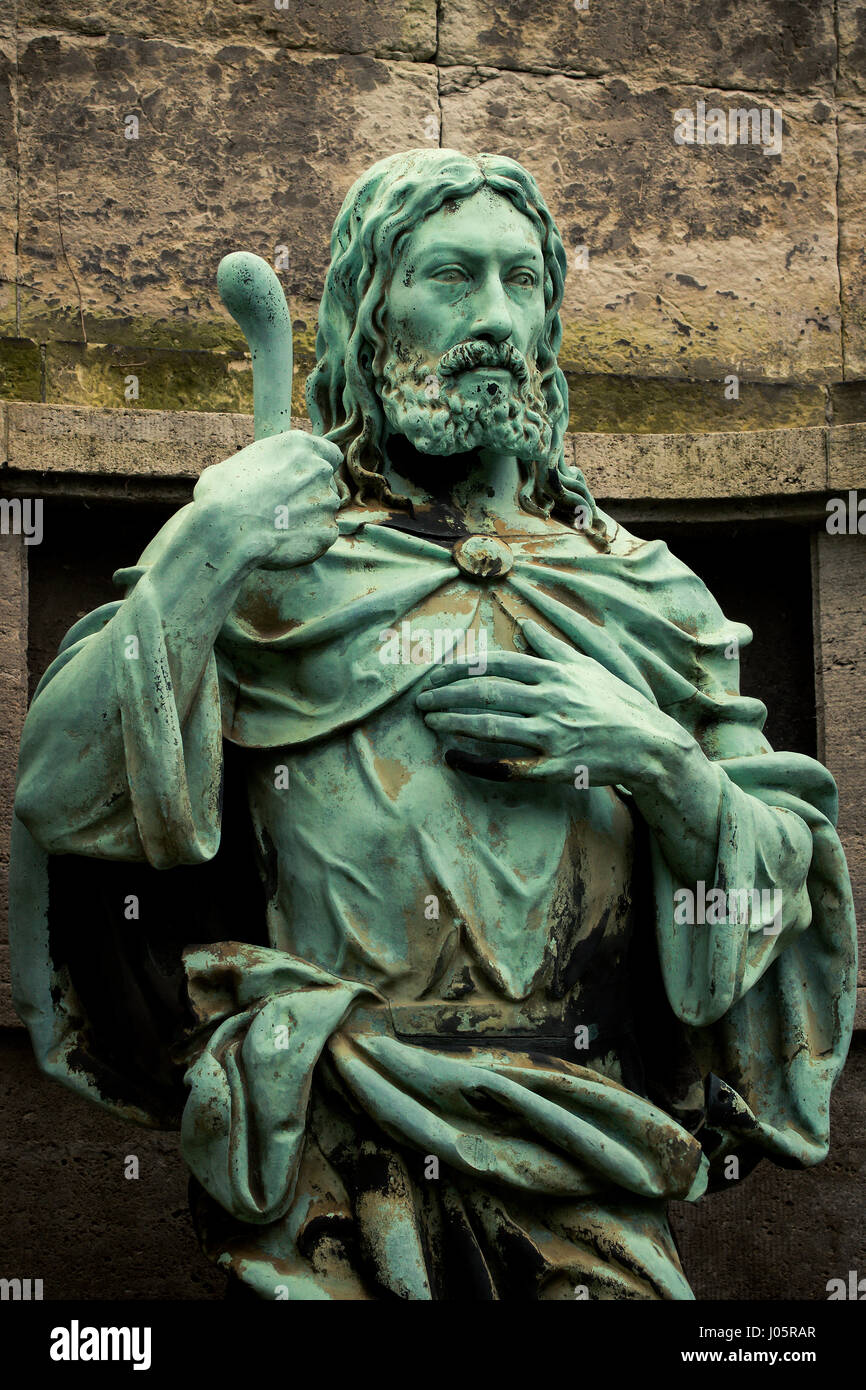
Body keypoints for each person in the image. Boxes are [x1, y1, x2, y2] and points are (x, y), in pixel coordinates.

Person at [11, 149, 856, 1300]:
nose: (497, 318)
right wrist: (205, 546)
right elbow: (60, 794)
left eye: (523, 283)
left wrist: (660, 763)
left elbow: (786, 890)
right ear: (368, 310)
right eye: (452, 277)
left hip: (585, 1144)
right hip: (329, 1144)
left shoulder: (648, 596)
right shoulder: (272, 562)